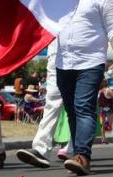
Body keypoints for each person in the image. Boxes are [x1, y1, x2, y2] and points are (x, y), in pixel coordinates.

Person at [55, 0, 113, 176]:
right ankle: (79, 153)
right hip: (64, 62)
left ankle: (83, 156)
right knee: (72, 111)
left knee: (84, 107)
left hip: (91, 62)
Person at [16, 40, 72, 169]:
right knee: (52, 101)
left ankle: (78, 150)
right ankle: (41, 149)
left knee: (78, 106)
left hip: (84, 57)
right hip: (56, 56)